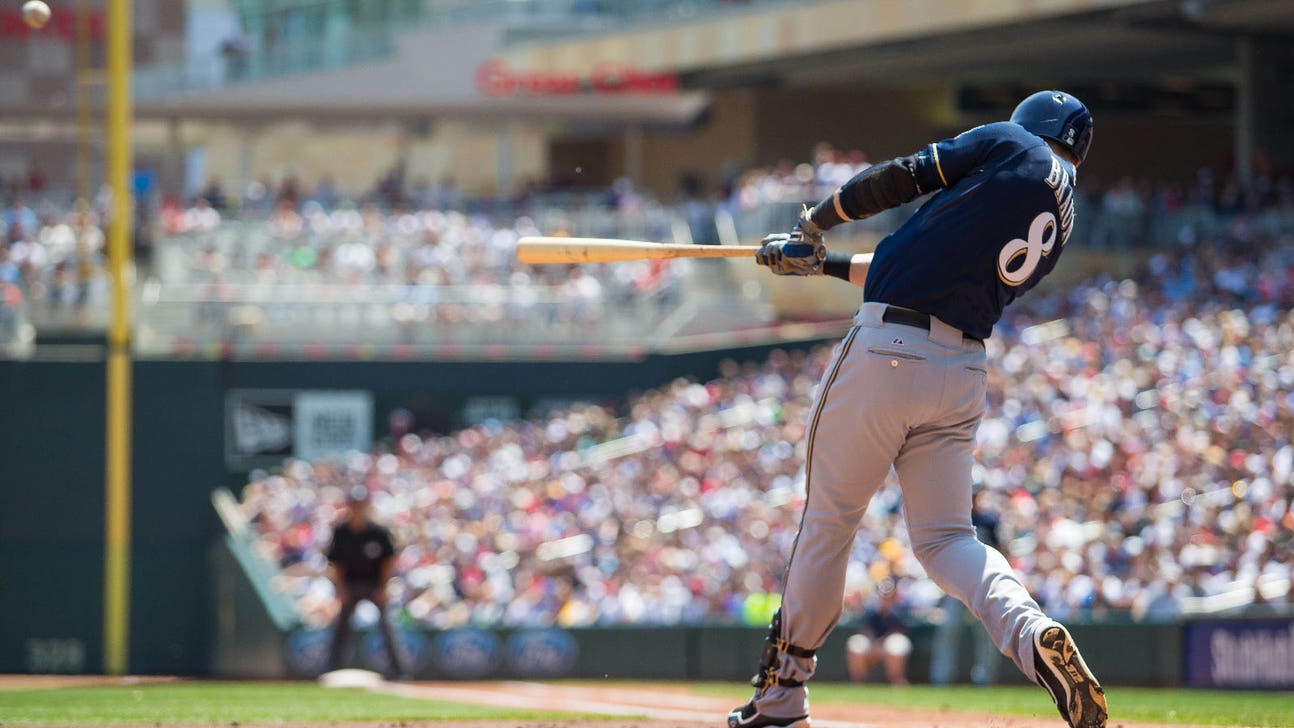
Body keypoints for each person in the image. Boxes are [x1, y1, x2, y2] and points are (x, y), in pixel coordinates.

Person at [727, 91, 1105, 728]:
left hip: (888, 350)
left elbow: (902, 176)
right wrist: (822, 265)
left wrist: (815, 222)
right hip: (961, 372)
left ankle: (783, 694)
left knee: (829, 521)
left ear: (1031, 124)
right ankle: (1029, 628)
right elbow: (914, 263)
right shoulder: (1062, 215)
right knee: (948, 539)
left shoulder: (1013, 142)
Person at [326, 488, 407, 678]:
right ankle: (332, 668)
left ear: (367, 506)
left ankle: (399, 672)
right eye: (354, 504)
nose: (357, 508)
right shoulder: (341, 531)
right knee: (340, 626)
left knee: (387, 626)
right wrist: (341, 590)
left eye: (361, 504)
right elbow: (337, 564)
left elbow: (388, 562)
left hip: (374, 585)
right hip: (351, 584)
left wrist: (383, 588)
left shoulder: (379, 532)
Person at [930, 487, 1004, 686]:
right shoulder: (954, 519)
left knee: (987, 633)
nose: (971, 498)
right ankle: (941, 677)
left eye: (974, 494)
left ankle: (984, 679)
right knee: (948, 629)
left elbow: (1001, 551)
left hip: (982, 584)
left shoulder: (988, 521)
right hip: (956, 585)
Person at [844, 584, 911, 686]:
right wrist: (875, 644)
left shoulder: (901, 610)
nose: (885, 598)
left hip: (888, 644)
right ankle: (858, 681)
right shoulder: (870, 610)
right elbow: (866, 630)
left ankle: (896, 680)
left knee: (895, 646)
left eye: (888, 595)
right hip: (873, 644)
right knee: (856, 643)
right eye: (883, 595)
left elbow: (900, 631)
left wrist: (881, 644)